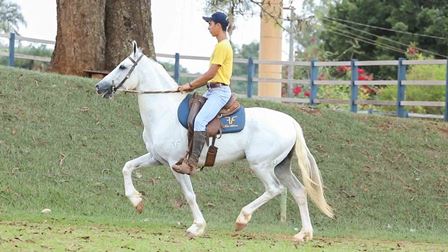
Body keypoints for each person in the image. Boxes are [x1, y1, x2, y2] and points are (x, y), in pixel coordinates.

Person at [172, 12, 233, 175]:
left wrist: (190, 85)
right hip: (212, 90)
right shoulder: (220, 45)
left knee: (199, 121)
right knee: (192, 115)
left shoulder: (223, 46)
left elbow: (211, 73)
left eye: (210, 24)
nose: (208, 27)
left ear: (218, 26)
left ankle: (192, 164)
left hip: (219, 92)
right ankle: (187, 155)